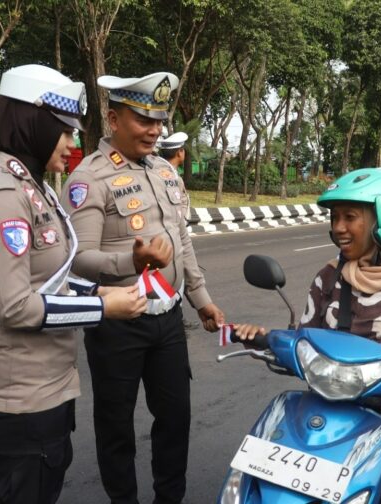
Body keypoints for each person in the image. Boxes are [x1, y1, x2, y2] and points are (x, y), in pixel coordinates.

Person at [0, 64, 147, 504]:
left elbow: (49, 279)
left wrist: (97, 291)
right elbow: (15, 307)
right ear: (33, 125)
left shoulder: (35, 189)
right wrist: (104, 309)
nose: (72, 144)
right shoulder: (4, 196)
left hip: (46, 384)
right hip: (17, 392)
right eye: (64, 132)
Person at [235, 168, 381, 504]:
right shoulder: (328, 278)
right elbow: (305, 337)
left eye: (350, 217)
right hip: (325, 405)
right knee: (262, 488)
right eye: (334, 218)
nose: (338, 228)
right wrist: (264, 339)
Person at [61, 71, 225, 504]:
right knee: (115, 424)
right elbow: (77, 258)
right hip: (117, 322)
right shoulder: (87, 179)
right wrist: (128, 262)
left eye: (159, 120)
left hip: (168, 318)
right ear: (113, 119)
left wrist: (202, 300)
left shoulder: (165, 173)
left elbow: (182, 240)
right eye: (143, 120)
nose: (155, 130)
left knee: (176, 416)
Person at [157, 132, 199, 332]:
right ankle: (175, 319)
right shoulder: (170, 176)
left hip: (170, 233)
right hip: (173, 235)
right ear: (180, 153)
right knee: (176, 278)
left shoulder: (161, 171)